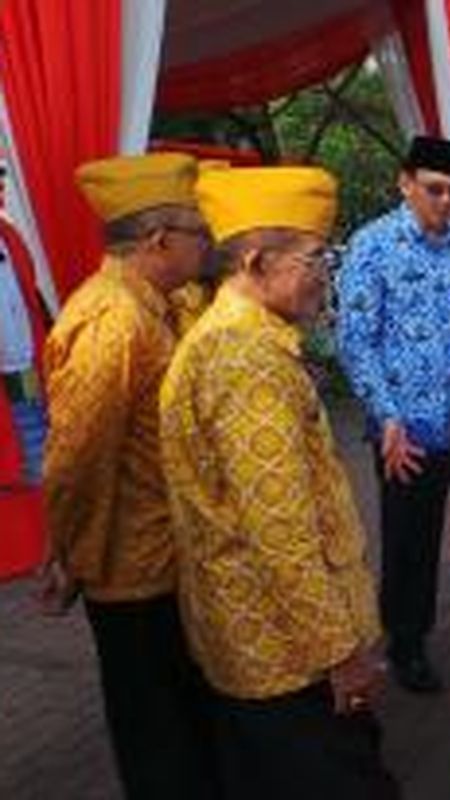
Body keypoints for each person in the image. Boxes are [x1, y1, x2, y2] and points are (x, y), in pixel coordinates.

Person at [159, 165, 397, 799]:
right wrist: (341, 653)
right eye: (316, 257)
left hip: (259, 642)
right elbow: (282, 532)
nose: (326, 275)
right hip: (288, 657)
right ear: (258, 261)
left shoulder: (232, 339)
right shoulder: (246, 361)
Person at [39, 152, 218, 799]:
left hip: (169, 561)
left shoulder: (151, 306)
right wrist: (70, 558)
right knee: (158, 738)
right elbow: (76, 462)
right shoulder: (112, 321)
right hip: (133, 575)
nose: (209, 243)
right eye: (198, 230)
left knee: (186, 725)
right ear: (157, 240)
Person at [337, 136, 450, 693]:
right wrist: (385, 415)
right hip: (407, 433)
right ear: (405, 182)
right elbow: (355, 341)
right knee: (411, 545)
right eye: (434, 189)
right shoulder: (372, 246)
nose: (444, 202)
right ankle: (408, 645)